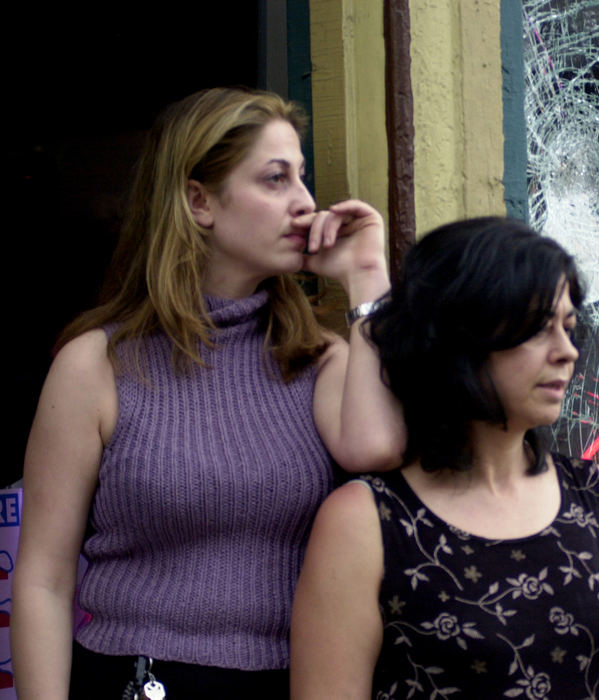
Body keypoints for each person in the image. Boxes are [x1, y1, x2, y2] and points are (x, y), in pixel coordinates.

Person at [11, 87, 405, 699]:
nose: (305, 204)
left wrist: (367, 278)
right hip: (140, 681)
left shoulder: (320, 356)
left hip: (297, 680)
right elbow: (43, 578)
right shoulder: (98, 363)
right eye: (276, 180)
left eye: (303, 179)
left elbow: (379, 447)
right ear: (199, 201)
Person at [291, 218, 599, 699]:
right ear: (459, 338)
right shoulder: (366, 522)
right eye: (538, 329)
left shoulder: (598, 499)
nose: (566, 352)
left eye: (569, 327)